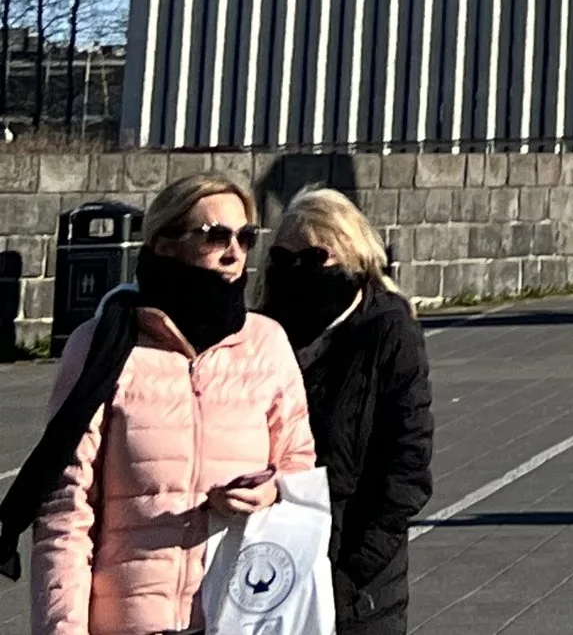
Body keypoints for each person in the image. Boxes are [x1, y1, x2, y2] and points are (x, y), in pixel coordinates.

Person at [16, 171, 314, 635]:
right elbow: (66, 509)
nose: (234, 252)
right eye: (216, 235)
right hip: (130, 621)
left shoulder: (267, 343)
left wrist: (271, 491)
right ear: (165, 243)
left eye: (246, 237)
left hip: (236, 615)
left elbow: (299, 466)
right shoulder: (102, 346)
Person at [263, 188, 433, 635]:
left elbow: (407, 467)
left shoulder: (388, 330)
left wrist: (349, 574)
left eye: (315, 257)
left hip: (358, 584)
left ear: (351, 254)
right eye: (283, 258)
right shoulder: (261, 333)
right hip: (270, 567)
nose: (297, 271)